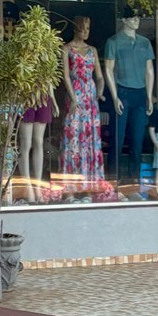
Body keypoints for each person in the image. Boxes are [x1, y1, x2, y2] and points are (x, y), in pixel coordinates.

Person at [103, 8, 154, 185]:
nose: (136, 20)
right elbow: (108, 69)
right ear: (124, 20)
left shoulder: (145, 42)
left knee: (137, 140)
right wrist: (115, 96)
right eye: (132, 17)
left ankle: (134, 182)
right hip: (122, 91)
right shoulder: (114, 42)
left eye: (137, 17)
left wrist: (149, 95)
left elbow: (149, 70)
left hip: (140, 93)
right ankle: (112, 181)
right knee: (117, 139)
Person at [61, 15, 105, 195]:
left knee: (90, 140)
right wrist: (73, 98)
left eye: (88, 29)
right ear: (76, 29)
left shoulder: (92, 50)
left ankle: (89, 188)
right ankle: (70, 190)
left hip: (91, 97)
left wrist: (100, 92)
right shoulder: (67, 49)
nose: (86, 32)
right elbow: (65, 75)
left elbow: (100, 76)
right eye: (83, 29)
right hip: (75, 93)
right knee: (72, 139)